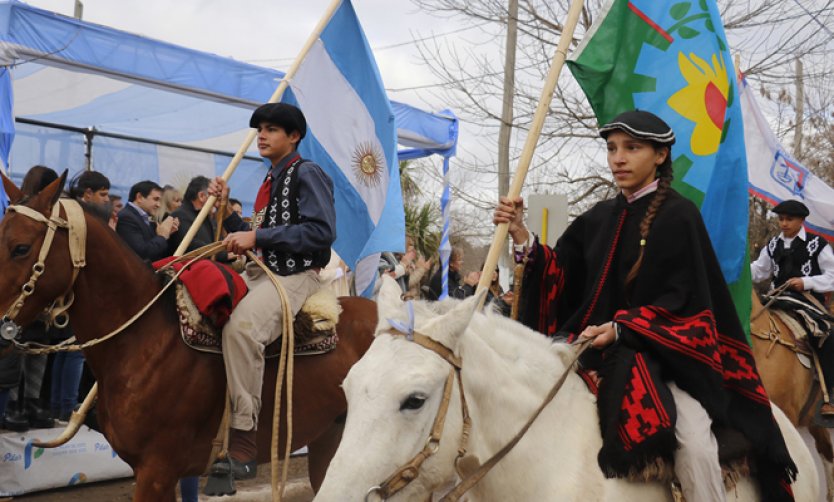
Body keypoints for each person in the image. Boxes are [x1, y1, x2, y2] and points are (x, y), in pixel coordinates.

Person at [494, 110, 796, 502]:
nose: (618, 158)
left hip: (668, 359)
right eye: (612, 148)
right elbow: (562, 277)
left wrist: (623, 329)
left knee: (694, 446)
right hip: (592, 353)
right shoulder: (598, 217)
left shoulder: (679, 216)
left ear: (660, 155)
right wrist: (522, 236)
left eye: (632, 148)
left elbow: (687, 304)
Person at [206, 103, 335, 480]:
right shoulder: (268, 181)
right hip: (261, 273)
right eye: (259, 128)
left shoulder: (306, 172)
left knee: (241, 329)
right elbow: (256, 236)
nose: (261, 135)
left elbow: (321, 232)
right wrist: (225, 212)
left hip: (295, 276)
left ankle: (245, 441)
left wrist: (256, 235)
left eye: (272, 129)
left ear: (293, 137)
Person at [751, 199, 834, 413]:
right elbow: (759, 270)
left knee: (827, 334)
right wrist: (735, 268)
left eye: (789, 219)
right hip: (775, 299)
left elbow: (832, 276)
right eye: (781, 219)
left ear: (801, 220)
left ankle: (829, 397)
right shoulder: (772, 245)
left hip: (807, 301)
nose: (784, 223)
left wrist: (805, 282)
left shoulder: (818, 244)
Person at [169, 175, 246, 260]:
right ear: (201, 196)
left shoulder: (207, 219)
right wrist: (223, 255)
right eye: (213, 195)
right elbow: (191, 245)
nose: (216, 201)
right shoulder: (180, 215)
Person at [116, 180, 179, 262]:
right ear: (139, 197)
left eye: (160, 201)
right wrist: (162, 236)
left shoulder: (142, 218)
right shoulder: (126, 218)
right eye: (156, 199)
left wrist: (167, 233)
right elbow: (142, 253)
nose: (158, 205)